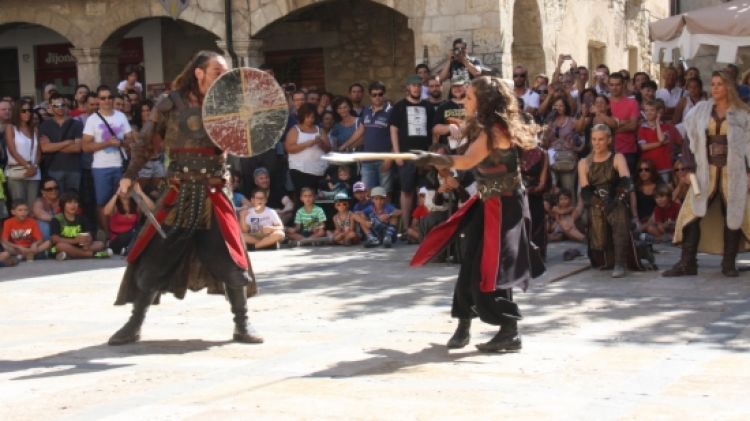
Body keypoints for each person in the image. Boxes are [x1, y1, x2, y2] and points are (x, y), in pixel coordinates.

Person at [108, 51, 263, 346]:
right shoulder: (170, 103)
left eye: (225, 71)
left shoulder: (229, 104)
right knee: (152, 262)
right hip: (179, 192)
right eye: (217, 70)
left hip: (215, 191)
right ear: (199, 73)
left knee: (232, 262)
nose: (223, 75)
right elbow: (146, 140)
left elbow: (247, 139)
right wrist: (130, 174)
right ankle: (134, 323)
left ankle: (242, 324)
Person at [411, 76, 546, 353]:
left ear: (484, 101)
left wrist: (432, 158)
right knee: (470, 259)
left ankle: (509, 330)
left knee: (494, 267)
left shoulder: (495, 131)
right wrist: (443, 167)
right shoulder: (481, 128)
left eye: (470, 97)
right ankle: (464, 322)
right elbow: (465, 160)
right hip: (487, 200)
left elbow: (467, 160)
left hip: (504, 205)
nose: (464, 101)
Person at [663, 71, 750, 278]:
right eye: (713, 84)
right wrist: (687, 167)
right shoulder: (701, 111)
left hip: (733, 171)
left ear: (729, 87)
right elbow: (689, 141)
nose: (715, 88)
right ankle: (687, 262)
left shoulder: (742, 114)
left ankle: (728, 264)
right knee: (692, 214)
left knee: (733, 215)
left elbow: (748, 146)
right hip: (703, 170)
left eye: (720, 84)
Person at [579, 124, 643, 278]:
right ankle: (609, 259)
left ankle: (620, 263)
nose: (597, 143)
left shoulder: (617, 158)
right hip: (597, 202)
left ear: (608, 140)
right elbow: (585, 190)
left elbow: (626, 182)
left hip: (616, 199)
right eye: (594, 139)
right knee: (599, 229)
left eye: (601, 139)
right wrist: (599, 203)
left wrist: (615, 200)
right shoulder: (584, 163)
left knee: (618, 218)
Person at [82, 85, 134, 230]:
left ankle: (121, 232)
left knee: (123, 199)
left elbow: (131, 140)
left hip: (119, 164)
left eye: (109, 97)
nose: (107, 100)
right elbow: (85, 146)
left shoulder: (121, 116)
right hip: (100, 167)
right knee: (102, 202)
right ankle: (106, 236)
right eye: (103, 98)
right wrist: (107, 143)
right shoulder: (92, 119)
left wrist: (122, 143)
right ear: (98, 100)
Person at [389, 74, 434, 229]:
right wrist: (397, 154)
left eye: (419, 85)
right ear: (408, 87)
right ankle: (407, 227)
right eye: (413, 85)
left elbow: (433, 131)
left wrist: (432, 154)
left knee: (423, 191)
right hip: (406, 155)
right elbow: (393, 130)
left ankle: (422, 227)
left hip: (423, 156)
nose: (416, 88)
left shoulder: (428, 106)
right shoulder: (399, 106)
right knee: (406, 191)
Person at [39, 93, 83, 193]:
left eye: (62, 105)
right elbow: (45, 148)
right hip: (53, 169)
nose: (60, 108)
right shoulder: (45, 125)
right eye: (56, 106)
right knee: (56, 202)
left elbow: (77, 148)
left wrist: (53, 145)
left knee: (73, 200)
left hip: (74, 170)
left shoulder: (77, 124)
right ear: (50, 107)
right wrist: (68, 142)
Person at [50, 191, 110, 261]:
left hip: (80, 246)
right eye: (69, 202)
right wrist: (74, 241)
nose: (73, 205)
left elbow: (89, 234)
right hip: (63, 245)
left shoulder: (82, 218)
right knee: (59, 246)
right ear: (63, 205)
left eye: (75, 202)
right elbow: (54, 239)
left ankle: (72, 254)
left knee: (100, 244)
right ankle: (90, 254)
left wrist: (88, 242)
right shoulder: (57, 219)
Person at [285, 103, 331, 194]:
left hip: (319, 170)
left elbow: (328, 148)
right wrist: (307, 144)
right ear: (302, 116)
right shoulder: (295, 130)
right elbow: (289, 148)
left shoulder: (320, 130)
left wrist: (321, 143)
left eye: (312, 117)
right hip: (300, 171)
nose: (310, 119)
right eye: (308, 117)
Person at [4, 97, 41, 208]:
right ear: (17, 112)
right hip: (17, 170)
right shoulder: (11, 128)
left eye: (29, 110)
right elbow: (12, 150)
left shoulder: (34, 129)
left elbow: (38, 151)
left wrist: (34, 166)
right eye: (23, 111)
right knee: (19, 207)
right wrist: (28, 166)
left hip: (34, 171)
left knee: (32, 206)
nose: (27, 113)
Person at [358, 81, 394, 192]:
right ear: (370, 96)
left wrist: (390, 159)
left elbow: (397, 138)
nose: (377, 97)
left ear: (384, 94)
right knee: (367, 193)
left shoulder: (392, 111)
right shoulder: (366, 111)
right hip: (367, 159)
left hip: (384, 158)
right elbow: (360, 131)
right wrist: (344, 145)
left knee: (385, 193)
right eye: (374, 95)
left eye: (380, 94)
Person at [103, 182, 154, 255]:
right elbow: (106, 212)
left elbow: (153, 208)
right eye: (122, 189)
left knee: (139, 230)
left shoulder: (135, 205)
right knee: (135, 231)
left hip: (132, 237)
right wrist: (116, 194)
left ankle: (127, 249)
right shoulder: (115, 205)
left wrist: (140, 192)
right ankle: (128, 250)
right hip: (117, 239)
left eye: (128, 189)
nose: (125, 191)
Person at [637, 101, 679, 184]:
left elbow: (661, 139)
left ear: (657, 112)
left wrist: (657, 122)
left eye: (652, 110)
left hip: (664, 166)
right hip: (649, 168)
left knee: (664, 191)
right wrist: (660, 144)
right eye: (646, 110)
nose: (649, 113)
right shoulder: (642, 128)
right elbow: (643, 147)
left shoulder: (665, 126)